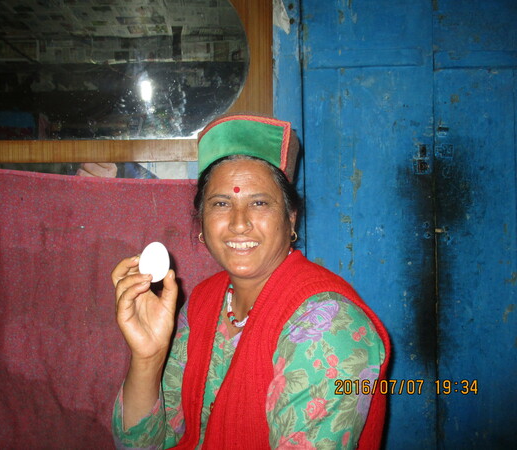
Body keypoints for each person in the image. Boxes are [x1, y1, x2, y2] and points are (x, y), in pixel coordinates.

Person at [111, 114, 391, 449]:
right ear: (201, 221)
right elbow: (144, 444)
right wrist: (148, 357)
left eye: (259, 203)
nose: (239, 223)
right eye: (221, 204)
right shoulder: (203, 302)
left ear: (290, 219)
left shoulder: (328, 325)